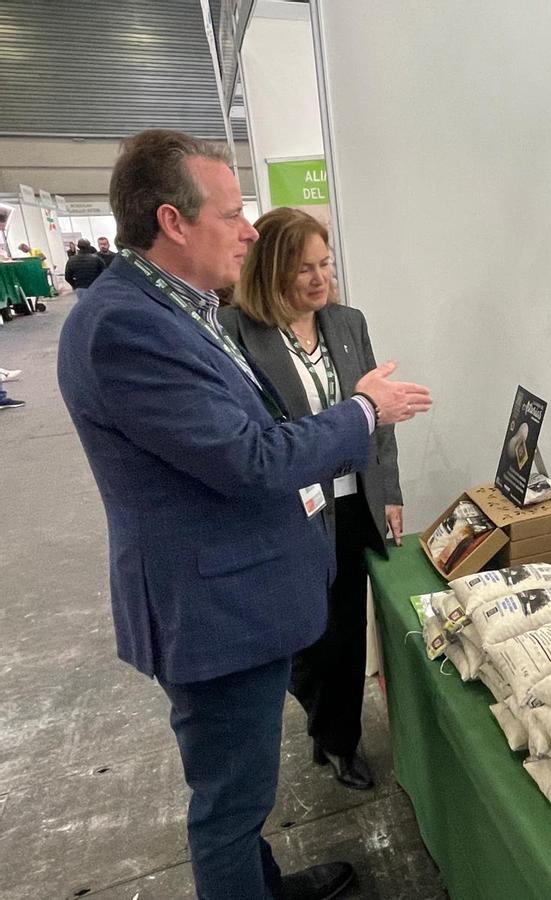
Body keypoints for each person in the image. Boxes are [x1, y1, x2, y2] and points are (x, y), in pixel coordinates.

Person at [58, 129, 432, 900]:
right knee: (228, 807)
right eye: (231, 214)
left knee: (246, 790)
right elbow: (252, 458)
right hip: (213, 610)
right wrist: (363, 409)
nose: (250, 231)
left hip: (237, 593)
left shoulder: (181, 309)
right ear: (172, 221)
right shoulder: (128, 326)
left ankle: (262, 886)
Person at [219, 207, 402, 792]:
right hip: (292, 508)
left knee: (346, 629)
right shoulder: (238, 332)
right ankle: (324, 721)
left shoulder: (348, 323)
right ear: (273, 270)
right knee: (305, 634)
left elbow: (381, 415)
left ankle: (341, 742)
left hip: (352, 503)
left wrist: (389, 490)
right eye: (305, 269)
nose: (320, 279)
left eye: (326, 265)